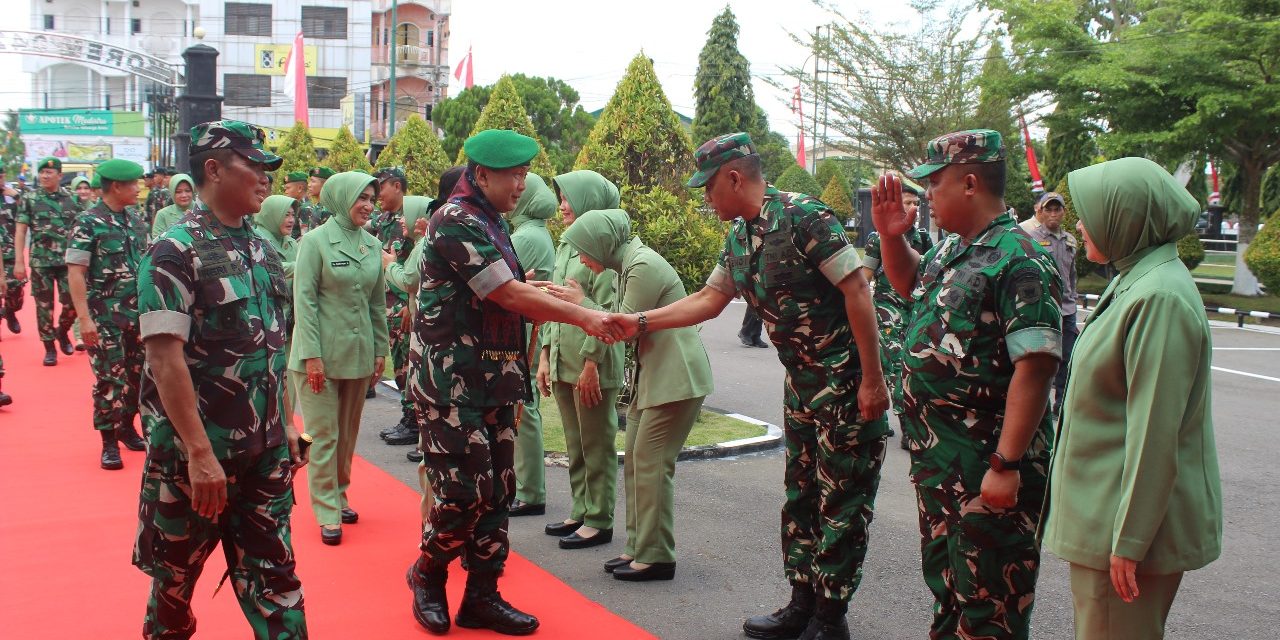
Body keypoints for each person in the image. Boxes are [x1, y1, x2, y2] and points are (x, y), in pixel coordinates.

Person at [608, 132, 890, 640]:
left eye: (709, 187)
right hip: (802, 388)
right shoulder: (740, 235)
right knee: (801, 494)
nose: (705, 198)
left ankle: (831, 619)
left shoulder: (805, 217)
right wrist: (641, 322)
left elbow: (857, 291)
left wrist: (872, 380)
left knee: (842, 502)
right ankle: (800, 604)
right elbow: (710, 299)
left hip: (844, 386)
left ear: (735, 178)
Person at [405, 129, 621, 636]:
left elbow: (506, 288)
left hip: (494, 377)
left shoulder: (491, 220)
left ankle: (482, 594)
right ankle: (427, 572)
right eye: (514, 175)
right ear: (481, 175)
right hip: (452, 383)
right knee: (462, 493)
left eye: (525, 174)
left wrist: (538, 290)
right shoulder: (455, 219)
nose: (523, 184)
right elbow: (505, 294)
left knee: (499, 490)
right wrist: (579, 314)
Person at [871, 129, 1063, 640]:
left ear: (971, 183)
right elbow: (909, 283)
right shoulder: (954, 250)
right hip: (943, 465)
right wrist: (893, 237)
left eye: (935, 184)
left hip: (986, 467)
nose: (927, 196)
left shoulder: (1019, 258)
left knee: (990, 607)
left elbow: (1037, 366)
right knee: (952, 590)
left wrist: (1006, 464)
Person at [133, 120, 306, 639]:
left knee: (279, 589)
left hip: (265, 455)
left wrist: (288, 423)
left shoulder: (261, 248)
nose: (264, 177)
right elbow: (166, 361)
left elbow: (275, 345)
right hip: (196, 463)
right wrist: (200, 452)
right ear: (213, 169)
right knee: (173, 591)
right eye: (252, 166)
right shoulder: (174, 251)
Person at [1042, 157, 1222, 639]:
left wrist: (1131, 539)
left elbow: (1154, 430)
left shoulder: (1157, 296)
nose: (1078, 224)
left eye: (1093, 213)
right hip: (1110, 518)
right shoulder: (1135, 277)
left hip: (1122, 531)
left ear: (1128, 219)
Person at [553, 208, 713, 580]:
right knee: (639, 465)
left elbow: (622, 328)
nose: (581, 259)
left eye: (583, 250)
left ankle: (656, 555)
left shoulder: (641, 264)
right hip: (657, 377)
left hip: (676, 379)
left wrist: (581, 304)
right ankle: (638, 547)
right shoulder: (628, 264)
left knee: (652, 465)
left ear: (600, 243)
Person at [289, 171, 389, 546]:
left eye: (370, 198)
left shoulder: (371, 244)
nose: (367, 205)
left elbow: (377, 303)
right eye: (360, 198)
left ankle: (340, 492)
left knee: (346, 436)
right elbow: (306, 301)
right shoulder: (314, 242)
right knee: (322, 436)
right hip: (319, 357)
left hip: (358, 355)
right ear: (340, 198)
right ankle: (327, 508)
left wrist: (381, 349)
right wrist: (312, 356)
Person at [534, 169, 626, 546]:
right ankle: (581, 510)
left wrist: (591, 363)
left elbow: (607, 311)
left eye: (569, 198)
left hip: (592, 362)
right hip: (563, 357)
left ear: (589, 200)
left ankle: (599, 519)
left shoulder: (602, 245)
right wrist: (544, 355)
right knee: (575, 441)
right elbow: (554, 302)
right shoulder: (565, 245)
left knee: (597, 443)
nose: (562, 206)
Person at [65, 158, 150, 470]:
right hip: (104, 317)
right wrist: (84, 319)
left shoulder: (135, 219)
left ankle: (127, 426)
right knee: (108, 379)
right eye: (134, 183)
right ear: (116, 186)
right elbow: (76, 272)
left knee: (138, 375)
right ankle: (108, 442)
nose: (138, 188)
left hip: (138, 314)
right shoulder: (87, 222)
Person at [859, 185, 934, 451]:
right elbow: (865, 276)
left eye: (916, 202)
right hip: (887, 311)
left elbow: (927, 273)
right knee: (893, 369)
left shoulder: (923, 237)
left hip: (913, 310)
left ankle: (901, 420)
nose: (912, 208)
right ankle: (904, 425)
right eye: (907, 203)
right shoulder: (877, 238)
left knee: (910, 367)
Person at [503, 173, 558, 526]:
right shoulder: (532, 231)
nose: (515, 192)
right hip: (526, 326)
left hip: (523, 329)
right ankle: (527, 488)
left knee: (524, 410)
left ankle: (529, 490)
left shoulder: (525, 236)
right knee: (523, 408)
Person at [13, 156, 82, 365]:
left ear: (59, 176)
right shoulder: (30, 198)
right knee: (44, 306)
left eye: (49, 172)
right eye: (42, 172)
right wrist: (18, 261)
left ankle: (62, 331)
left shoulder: (72, 199)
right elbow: (21, 230)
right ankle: (49, 347)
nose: (44, 176)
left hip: (66, 262)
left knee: (72, 302)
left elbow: (81, 229)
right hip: (40, 262)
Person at [371, 166, 420, 444]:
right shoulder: (385, 220)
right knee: (400, 364)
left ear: (398, 186)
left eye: (382, 185)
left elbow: (412, 266)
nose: (378, 193)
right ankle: (408, 417)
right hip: (387, 303)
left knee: (407, 366)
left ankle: (413, 422)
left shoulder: (411, 220)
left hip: (402, 305)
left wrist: (407, 304)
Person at [1024, 192, 1078, 414]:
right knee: (1040, 359)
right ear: (1040, 211)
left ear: (1064, 213)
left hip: (1067, 309)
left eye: (1058, 209)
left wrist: (1073, 297)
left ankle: (1061, 404)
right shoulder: (1030, 237)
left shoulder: (1071, 241)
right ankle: (1038, 405)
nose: (1054, 213)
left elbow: (1072, 274)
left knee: (1066, 357)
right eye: (1049, 209)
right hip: (1042, 308)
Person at [253, 195, 300, 428]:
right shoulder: (259, 239)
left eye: (293, 214)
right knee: (267, 383)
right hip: (266, 322)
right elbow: (274, 269)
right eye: (286, 214)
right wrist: (307, 264)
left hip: (289, 322)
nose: (290, 219)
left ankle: (284, 429)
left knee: (288, 382)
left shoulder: (290, 243)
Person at [1, 166, 24, 336]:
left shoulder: (11, 198)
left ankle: (10, 311)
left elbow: (30, 210)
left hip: (9, 253)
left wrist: (16, 196)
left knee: (15, 292)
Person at [151, 173, 196, 240]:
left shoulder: (203, 210)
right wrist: (182, 223)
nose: (184, 195)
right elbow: (156, 242)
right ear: (172, 193)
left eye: (188, 191)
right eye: (178, 192)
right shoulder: (162, 214)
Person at [300, 166, 335, 231]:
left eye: (313, 181)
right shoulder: (318, 206)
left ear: (326, 184)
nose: (309, 185)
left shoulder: (328, 209)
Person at [283, 171, 309, 238]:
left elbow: (304, 238)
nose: (286, 192)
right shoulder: (296, 206)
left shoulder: (305, 208)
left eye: (288, 188)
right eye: (285, 189)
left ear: (300, 188)